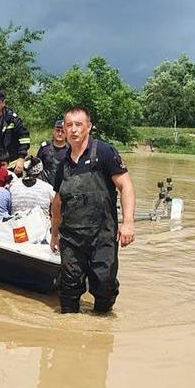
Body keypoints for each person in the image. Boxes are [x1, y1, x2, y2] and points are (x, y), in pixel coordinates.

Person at [50, 106, 135, 314]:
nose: (73, 129)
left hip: (102, 235)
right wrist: (54, 234)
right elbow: (57, 203)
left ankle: (101, 333)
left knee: (104, 284)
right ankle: (68, 332)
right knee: (68, 289)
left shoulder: (105, 153)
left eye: (79, 124)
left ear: (89, 127)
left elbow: (126, 186)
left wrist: (128, 223)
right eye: (69, 125)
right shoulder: (63, 165)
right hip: (71, 238)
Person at [37, 120, 68, 187]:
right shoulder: (44, 148)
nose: (60, 134)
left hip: (64, 188)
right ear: (53, 131)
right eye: (57, 130)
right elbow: (37, 167)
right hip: (45, 187)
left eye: (63, 131)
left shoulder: (71, 150)